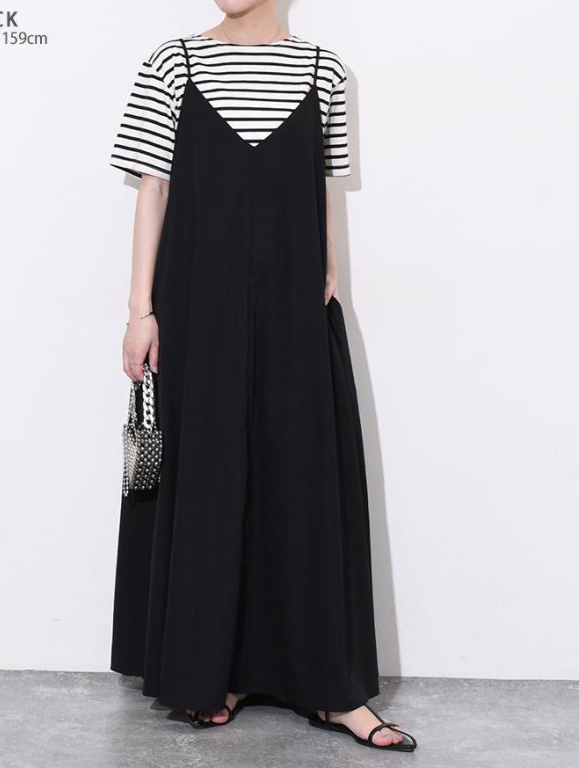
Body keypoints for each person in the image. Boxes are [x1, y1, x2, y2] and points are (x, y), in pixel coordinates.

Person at [108, 0, 417, 753]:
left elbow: (321, 186)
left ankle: (332, 691)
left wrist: (331, 272)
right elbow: (153, 188)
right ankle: (216, 672)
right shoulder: (173, 61)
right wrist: (141, 310)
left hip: (294, 303)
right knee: (210, 477)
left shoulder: (323, 70)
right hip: (197, 303)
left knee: (302, 480)